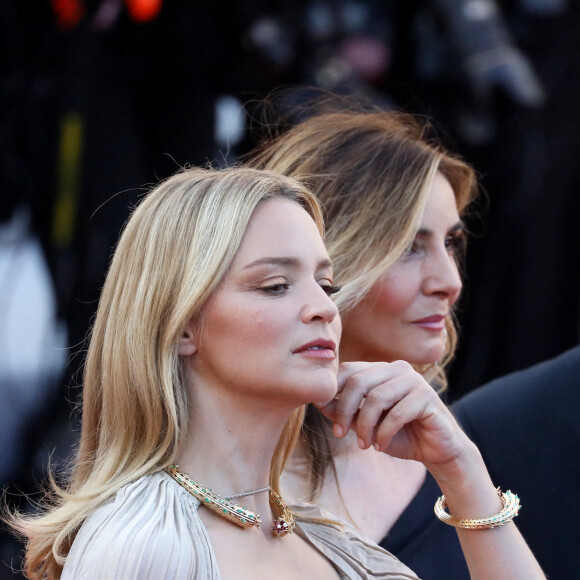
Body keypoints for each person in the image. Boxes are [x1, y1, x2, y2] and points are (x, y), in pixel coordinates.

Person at [5, 164, 544, 580]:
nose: (324, 308)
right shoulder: (147, 543)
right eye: (274, 285)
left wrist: (463, 472)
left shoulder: (330, 543)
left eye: (325, 284)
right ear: (182, 324)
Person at [246, 104, 547, 579]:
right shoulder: (222, 473)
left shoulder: (456, 446)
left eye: (451, 243)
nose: (450, 281)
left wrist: (463, 472)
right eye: (410, 246)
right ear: (328, 256)